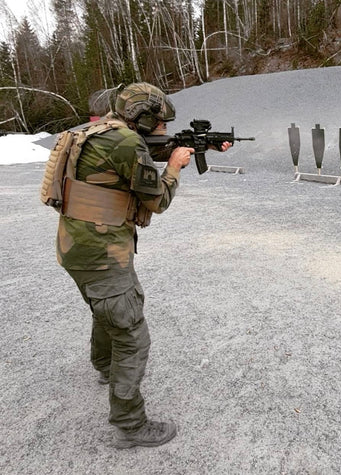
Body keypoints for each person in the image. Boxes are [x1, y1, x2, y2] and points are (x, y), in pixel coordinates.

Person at [55, 82, 231, 449]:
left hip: (77, 248)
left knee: (106, 313)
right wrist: (176, 167)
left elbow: (138, 155)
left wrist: (203, 145)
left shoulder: (97, 132)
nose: (164, 129)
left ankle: (104, 367)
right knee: (132, 335)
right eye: (160, 122)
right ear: (143, 118)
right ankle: (130, 425)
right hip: (104, 255)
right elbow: (157, 200)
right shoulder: (127, 144)